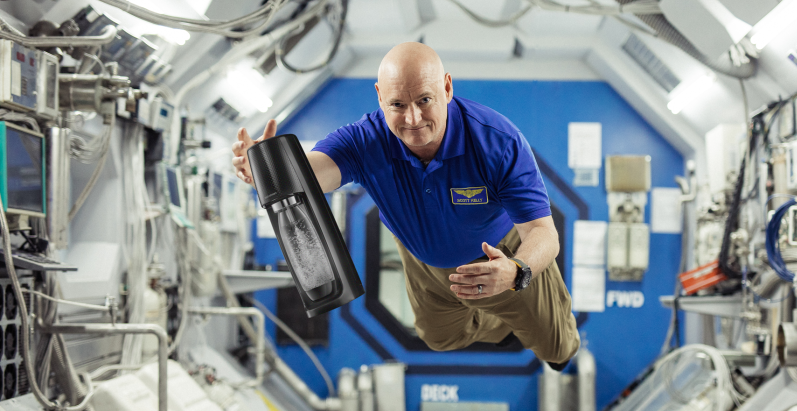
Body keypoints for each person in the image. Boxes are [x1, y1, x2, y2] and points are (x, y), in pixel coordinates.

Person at [232, 42, 579, 369]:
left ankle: (523, 317)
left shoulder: (497, 142)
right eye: (397, 104)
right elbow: (310, 176)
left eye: (424, 100)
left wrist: (517, 271)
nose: (412, 119)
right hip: (423, 258)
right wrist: (268, 171)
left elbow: (543, 233)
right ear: (380, 97)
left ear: (446, 88)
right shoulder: (364, 140)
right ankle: (503, 326)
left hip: (499, 256)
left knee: (556, 350)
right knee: (439, 338)